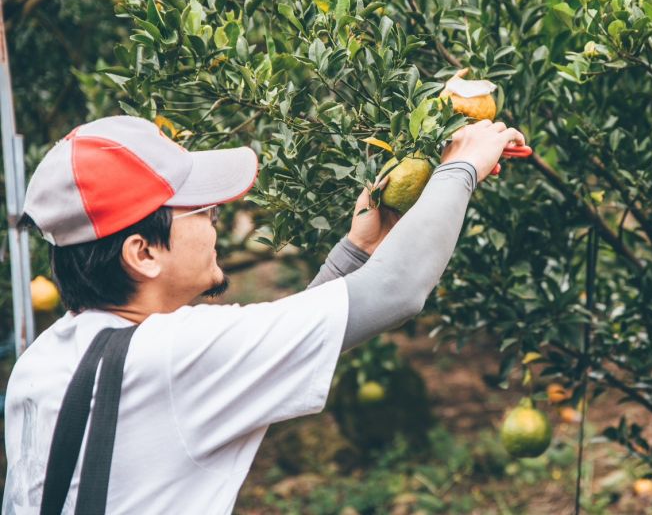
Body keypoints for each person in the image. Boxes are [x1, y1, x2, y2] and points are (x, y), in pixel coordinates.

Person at [3, 115, 526, 513]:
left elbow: (272, 347)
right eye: (203, 212)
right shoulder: (172, 355)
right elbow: (396, 292)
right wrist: (463, 166)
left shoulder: (45, 360)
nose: (216, 220)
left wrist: (355, 252)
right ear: (143, 253)